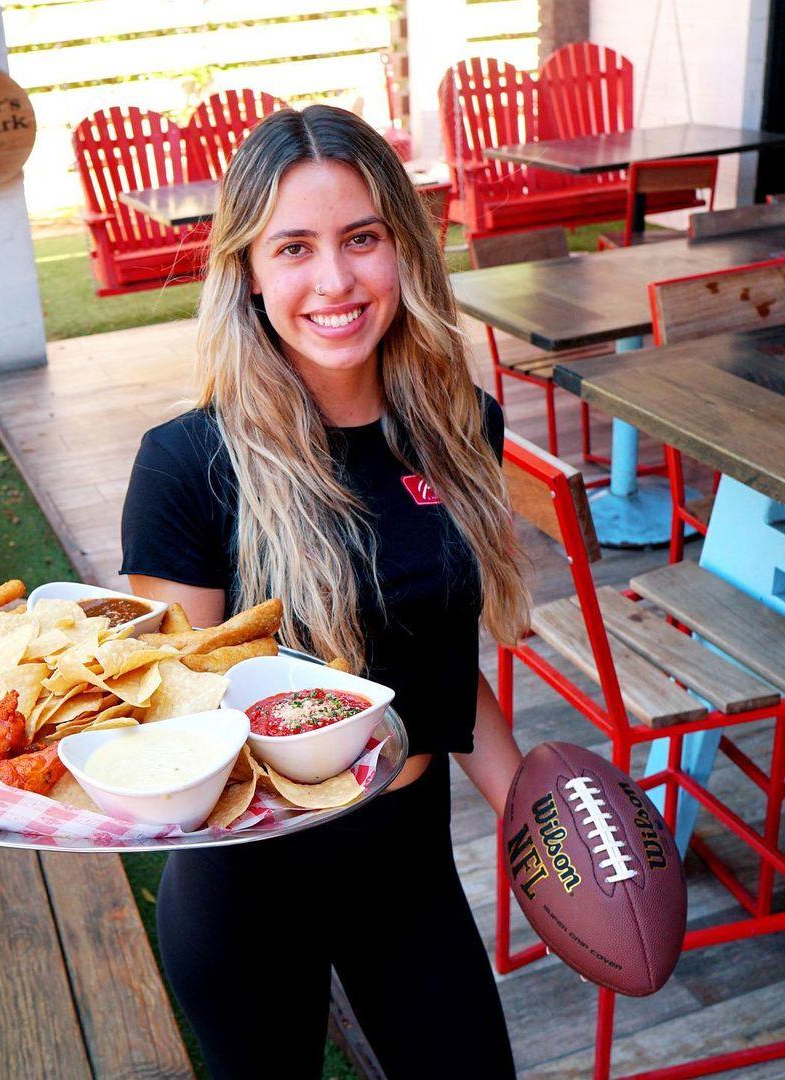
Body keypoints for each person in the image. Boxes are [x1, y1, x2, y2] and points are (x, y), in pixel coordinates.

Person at [119, 104, 530, 1079]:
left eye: (361, 239)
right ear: (249, 273)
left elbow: (435, 649)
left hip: (407, 869)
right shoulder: (186, 467)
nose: (336, 280)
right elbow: (173, 720)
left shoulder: (461, 423)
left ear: (404, 249)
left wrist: (532, 816)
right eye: (294, 248)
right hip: (251, 891)